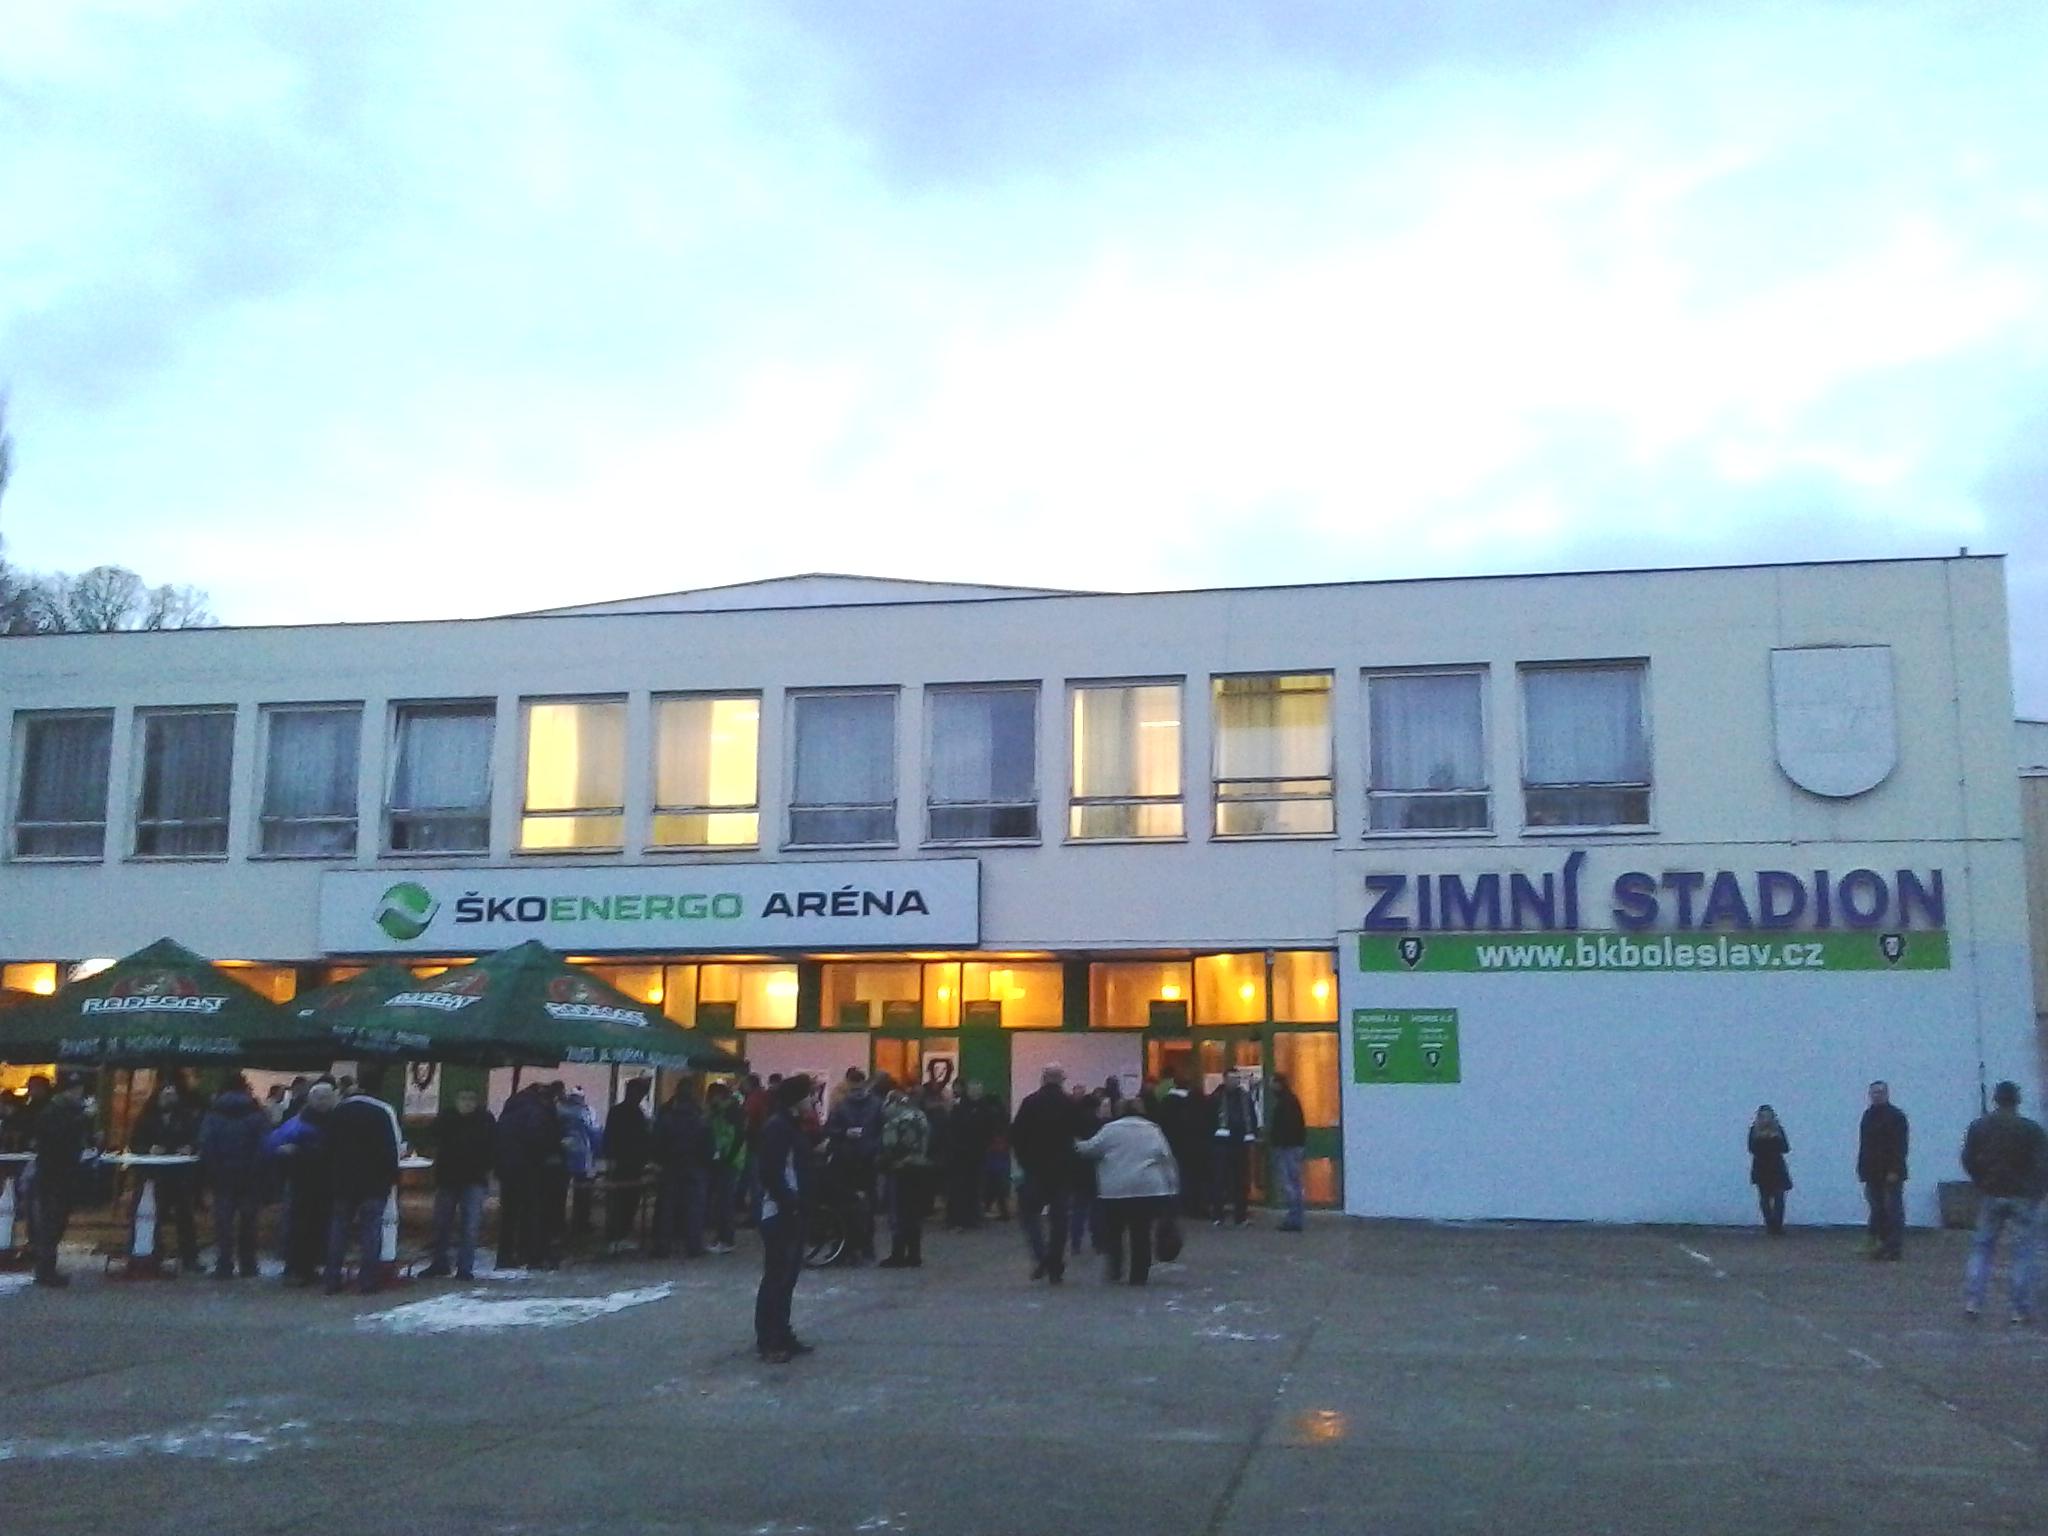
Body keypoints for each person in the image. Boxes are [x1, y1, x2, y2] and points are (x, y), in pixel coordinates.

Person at [1961, 1080, 2047, 1323]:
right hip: (2023, 1196)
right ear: (2017, 1100)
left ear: (1995, 1099)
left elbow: (1968, 1158)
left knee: (1982, 1248)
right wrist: (2037, 1191)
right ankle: (2019, 1310)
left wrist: (1980, 1181)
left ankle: (1973, 1302)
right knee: (2023, 1252)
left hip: (1991, 1192)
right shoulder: (2032, 1129)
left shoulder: (1979, 1126)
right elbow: (2043, 1164)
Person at [1075, 1097, 1181, 1285]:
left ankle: (1116, 1269)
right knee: (1141, 1232)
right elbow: (1166, 1158)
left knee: (1114, 1231)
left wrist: (1074, 1142)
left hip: (1115, 1189)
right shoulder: (1152, 1129)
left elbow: (1089, 1149)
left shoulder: (1111, 1130)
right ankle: (1139, 1274)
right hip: (1148, 1188)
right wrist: (1173, 1187)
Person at [323, 1067, 401, 1295]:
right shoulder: (381, 1113)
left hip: (343, 1181)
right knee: (371, 1231)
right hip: (373, 1183)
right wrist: (390, 1178)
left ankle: (332, 1278)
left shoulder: (339, 1112)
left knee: (338, 1230)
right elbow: (390, 1151)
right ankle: (368, 1280)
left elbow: (328, 1148)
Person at [755, 1075, 815, 1363]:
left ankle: (781, 1332)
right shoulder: (778, 1128)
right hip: (779, 1212)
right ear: (797, 1099)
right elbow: (772, 1172)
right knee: (777, 1277)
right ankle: (769, 1339)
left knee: (786, 1277)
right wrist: (790, 1203)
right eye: (810, 1096)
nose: (814, 1101)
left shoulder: (791, 1126)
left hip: (792, 1209)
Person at [198, 1073, 272, 1278]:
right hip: (250, 1176)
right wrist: (257, 1170)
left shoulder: (213, 1114)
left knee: (224, 1222)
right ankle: (248, 1264)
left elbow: (206, 1144)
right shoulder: (257, 1113)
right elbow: (264, 1146)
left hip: (222, 1176)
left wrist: (213, 1170)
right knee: (248, 1220)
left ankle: (224, 1264)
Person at [264, 1082, 338, 1285]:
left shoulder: (299, 1121)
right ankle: (300, 1267)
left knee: (309, 1225)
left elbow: (274, 1145)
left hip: (309, 1181)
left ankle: (303, 1266)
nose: (324, 1102)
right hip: (307, 1182)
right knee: (304, 1225)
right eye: (321, 1098)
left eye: (326, 1097)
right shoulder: (329, 1122)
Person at [1010, 1064, 1077, 1283]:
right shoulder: (1069, 1104)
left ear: (1043, 1079)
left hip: (1035, 1170)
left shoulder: (1030, 1102)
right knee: (1060, 1221)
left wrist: (1024, 1160)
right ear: (1061, 1080)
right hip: (1062, 1171)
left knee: (1029, 1214)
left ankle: (1041, 1255)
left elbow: (1017, 1134)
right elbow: (1079, 1134)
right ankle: (1055, 1263)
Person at [421, 1086, 496, 1280]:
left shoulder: (485, 1119)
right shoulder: (448, 1117)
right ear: (457, 1100)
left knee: (470, 1225)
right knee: (441, 1223)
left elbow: (494, 1146)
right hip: (448, 1178)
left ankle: (464, 1267)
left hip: (473, 1178)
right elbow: (432, 1137)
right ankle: (440, 1262)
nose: (467, 1103)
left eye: (471, 1099)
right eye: (464, 1098)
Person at [28, 1070, 92, 1288]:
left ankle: (47, 1268)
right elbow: (55, 1140)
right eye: (75, 1089)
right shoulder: (54, 1112)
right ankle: (45, 1270)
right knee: (50, 1223)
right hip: (53, 1175)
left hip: (64, 1175)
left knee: (57, 1222)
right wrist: (82, 1119)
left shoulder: (69, 1110)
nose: (79, 1093)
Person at [129, 1079, 202, 1271]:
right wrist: (149, 1149)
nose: (169, 1098)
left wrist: (189, 1147)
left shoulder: (185, 1118)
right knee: (152, 1215)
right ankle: (151, 1253)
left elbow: (196, 1138)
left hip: (178, 1174)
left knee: (184, 1217)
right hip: (153, 1174)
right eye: (166, 1094)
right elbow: (135, 1143)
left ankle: (190, 1257)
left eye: (172, 1095)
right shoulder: (146, 1118)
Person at [495, 1082, 562, 1270]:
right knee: (532, 1212)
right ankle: (532, 1256)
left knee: (509, 1214)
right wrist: (553, 1150)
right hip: (529, 1168)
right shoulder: (537, 1110)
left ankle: (505, 1256)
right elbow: (538, 1138)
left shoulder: (512, 1106)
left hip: (506, 1167)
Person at [824, 1070, 884, 1261]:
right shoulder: (875, 1104)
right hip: (859, 1159)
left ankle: (853, 1246)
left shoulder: (843, 1105)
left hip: (853, 1160)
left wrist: (842, 1135)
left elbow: (831, 1129)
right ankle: (861, 1247)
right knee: (860, 1206)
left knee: (852, 1206)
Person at [651, 1079, 710, 1260]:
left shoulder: (667, 1119)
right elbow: (709, 1147)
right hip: (695, 1168)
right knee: (694, 1208)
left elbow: (657, 1144)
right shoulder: (701, 1120)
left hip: (671, 1166)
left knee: (667, 1208)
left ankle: (663, 1247)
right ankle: (694, 1247)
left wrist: (661, 1161)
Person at [877, 1084, 932, 1268]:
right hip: (920, 1168)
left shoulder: (895, 1119)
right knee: (914, 1213)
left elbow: (890, 1145)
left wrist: (884, 1161)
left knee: (898, 1213)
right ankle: (915, 1254)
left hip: (900, 1169)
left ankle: (898, 1253)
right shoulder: (920, 1115)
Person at [1858, 1080, 1910, 1260]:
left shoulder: (1897, 1116)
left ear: (1887, 1094)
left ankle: (1894, 1248)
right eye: (1874, 1092)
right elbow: (1864, 1145)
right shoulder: (1867, 1116)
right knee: (1877, 1209)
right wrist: (1862, 1169)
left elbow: (1900, 1146)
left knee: (1892, 1211)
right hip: (1872, 1172)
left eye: (1880, 1092)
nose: (1877, 1095)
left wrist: (1895, 1170)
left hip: (1891, 1173)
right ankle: (1881, 1245)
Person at [602, 1077, 653, 1254]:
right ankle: (617, 1236)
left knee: (623, 1201)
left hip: (626, 1163)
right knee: (624, 1201)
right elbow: (641, 1139)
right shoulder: (633, 1114)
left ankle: (617, 1237)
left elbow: (609, 1137)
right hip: (628, 1163)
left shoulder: (620, 1112)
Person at [1210, 1069, 1262, 1226]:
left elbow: (1252, 1116)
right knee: (1220, 1180)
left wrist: (1251, 1133)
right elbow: (1209, 1118)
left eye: (1237, 1079)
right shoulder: (1217, 1097)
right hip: (1222, 1144)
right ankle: (1218, 1215)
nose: (1235, 1082)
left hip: (1240, 1142)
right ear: (1224, 1079)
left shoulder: (1245, 1097)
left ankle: (1241, 1215)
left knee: (1241, 1180)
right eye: (1232, 1078)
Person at [705, 1081, 744, 1253]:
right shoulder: (722, 1111)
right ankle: (722, 1237)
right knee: (721, 1201)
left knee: (724, 1202)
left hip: (729, 1161)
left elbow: (736, 1137)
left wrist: (728, 1158)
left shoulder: (730, 1112)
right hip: (726, 1160)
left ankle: (726, 1239)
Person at [1269, 1072, 1308, 1233]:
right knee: (1294, 1183)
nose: (1270, 1086)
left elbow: (1286, 1127)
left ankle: (1294, 1218)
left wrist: (1278, 1143)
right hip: (1292, 1146)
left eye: (1272, 1083)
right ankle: (1295, 1217)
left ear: (1279, 1084)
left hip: (1287, 1148)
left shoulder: (1285, 1102)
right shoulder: (1291, 1100)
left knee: (1290, 1184)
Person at [559, 1088, 598, 1237]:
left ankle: (559, 1223)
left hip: (564, 1156)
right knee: (583, 1191)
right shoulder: (586, 1112)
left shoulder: (560, 1110)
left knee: (561, 1193)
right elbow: (594, 1132)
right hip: (582, 1157)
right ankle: (581, 1223)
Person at [1748, 1106, 1792, 1235]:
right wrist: (1762, 1139)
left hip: (1777, 1167)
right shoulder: (1754, 1130)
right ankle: (1770, 1225)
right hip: (1761, 1167)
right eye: (1764, 1116)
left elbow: (1786, 1148)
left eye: (1769, 1116)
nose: (1766, 1119)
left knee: (1779, 1198)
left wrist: (1774, 1138)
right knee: (1765, 1198)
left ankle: (1778, 1225)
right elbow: (1751, 1149)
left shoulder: (1778, 1130)